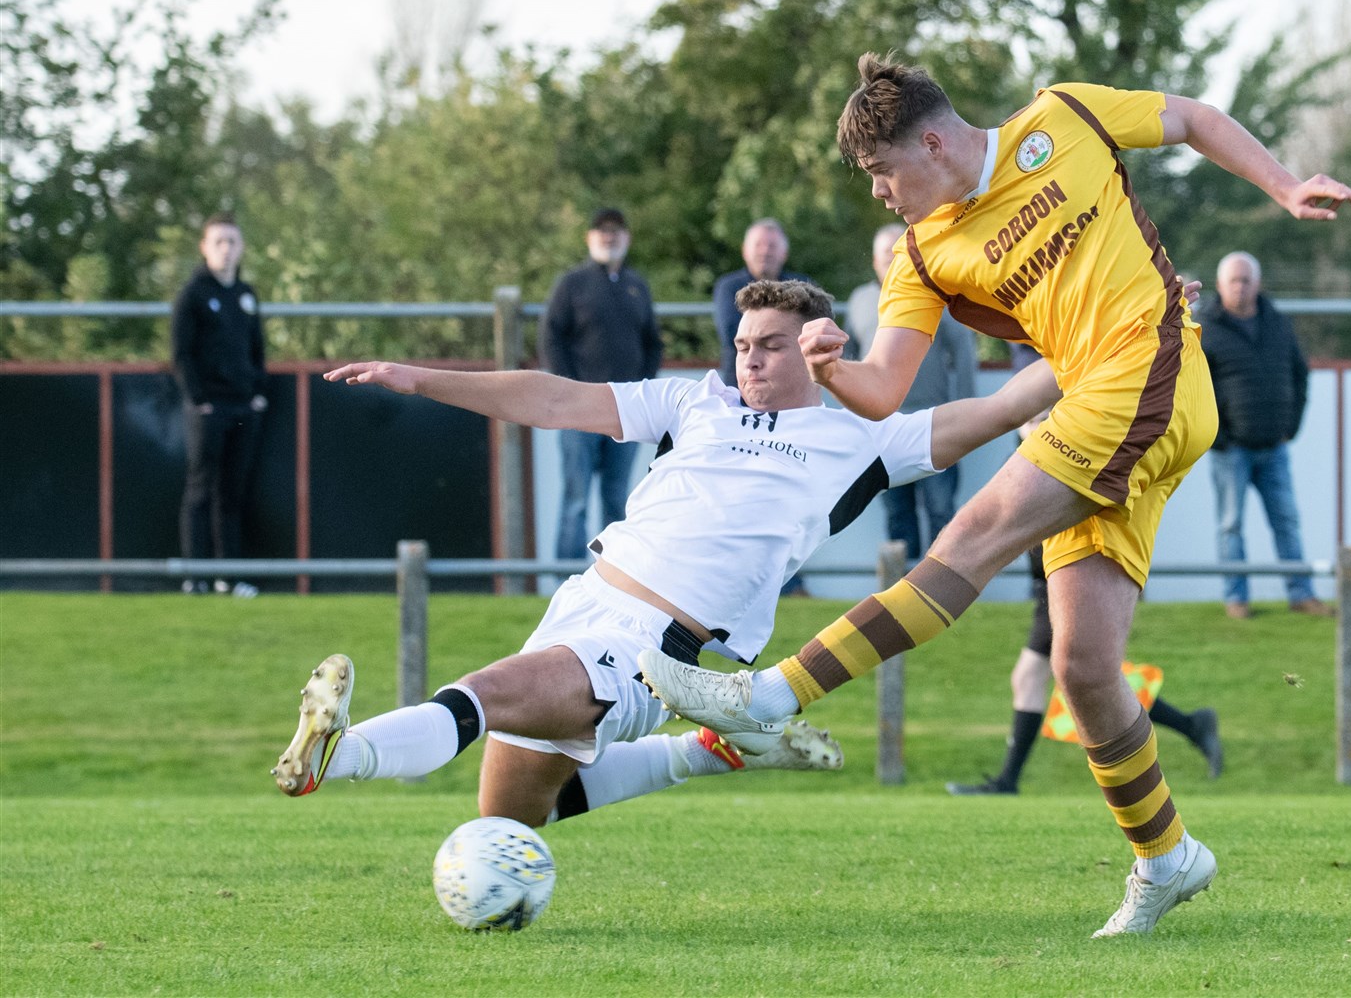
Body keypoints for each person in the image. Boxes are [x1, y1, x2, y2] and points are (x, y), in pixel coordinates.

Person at [638, 52, 1351, 938]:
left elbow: (1195, 118)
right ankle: (1166, 857)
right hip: (1108, 411)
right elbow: (886, 391)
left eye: (880, 173)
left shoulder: (1064, 117)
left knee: (972, 536)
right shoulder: (923, 256)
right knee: (1084, 667)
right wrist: (833, 367)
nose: (877, 194)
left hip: (1150, 374)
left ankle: (771, 697)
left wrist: (1283, 186)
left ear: (934, 143)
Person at [275, 280, 1067, 834]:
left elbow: (1005, 403)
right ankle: (706, 750)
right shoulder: (694, 401)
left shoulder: (865, 442)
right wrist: (422, 380)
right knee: (509, 817)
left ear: (819, 352)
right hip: (583, 603)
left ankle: (339, 755)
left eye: (770, 346)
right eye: (742, 343)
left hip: (656, 647)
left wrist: (1127, 324)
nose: (749, 359)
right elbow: (551, 398)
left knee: (485, 695)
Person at [946, 545, 1223, 795]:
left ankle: (1190, 727)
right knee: (1043, 677)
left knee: (1082, 678)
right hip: (1055, 580)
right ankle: (1191, 726)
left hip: (1068, 577)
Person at [1199, 251, 1331, 619]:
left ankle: (1301, 595)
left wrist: (1291, 426)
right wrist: (1218, 436)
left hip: (1274, 447)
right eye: (1233, 281)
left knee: (1286, 521)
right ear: (1220, 286)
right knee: (1231, 525)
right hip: (1230, 450)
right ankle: (1236, 599)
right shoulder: (1204, 330)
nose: (1240, 287)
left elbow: (1300, 374)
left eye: (1246, 280)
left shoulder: (1278, 325)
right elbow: (1191, 388)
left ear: (1257, 284)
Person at [848, 223, 978, 562]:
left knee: (941, 509)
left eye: (897, 254)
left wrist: (967, 411)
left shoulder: (935, 291)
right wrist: (855, 418)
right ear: (874, 262)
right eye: (884, 257)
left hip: (935, 422)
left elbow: (963, 350)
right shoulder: (861, 301)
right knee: (897, 513)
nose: (891, 263)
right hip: (881, 428)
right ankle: (901, 594)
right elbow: (849, 361)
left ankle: (944, 585)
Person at [546, 207, 662, 560]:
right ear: (589, 238)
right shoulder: (572, 284)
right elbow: (551, 337)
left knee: (618, 497)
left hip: (624, 411)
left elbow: (652, 342)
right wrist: (568, 389)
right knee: (576, 497)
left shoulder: (636, 285)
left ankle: (614, 577)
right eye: (602, 231)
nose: (609, 237)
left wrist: (644, 390)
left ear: (627, 238)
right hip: (578, 409)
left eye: (616, 231)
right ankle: (564, 576)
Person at [171, 212, 267, 598]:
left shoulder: (246, 295)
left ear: (241, 247)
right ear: (205, 247)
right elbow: (181, 353)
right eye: (219, 242)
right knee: (200, 490)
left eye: (232, 242)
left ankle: (229, 576)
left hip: (244, 407)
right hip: (208, 409)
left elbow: (257, 351)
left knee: (232, 492)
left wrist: (258, 394)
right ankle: (195, 576)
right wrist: (199, 400)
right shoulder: (192, 294)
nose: (226, 250)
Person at [711, 219, 812, 389]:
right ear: (745, 250)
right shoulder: (728, 287)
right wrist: (784, 339)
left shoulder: (803, 285)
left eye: (772, 246)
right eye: (758, 245)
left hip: (793, 388)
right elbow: (732, 334)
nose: (765, 251)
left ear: (784, 253)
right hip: (742, 388)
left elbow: (812, 331)